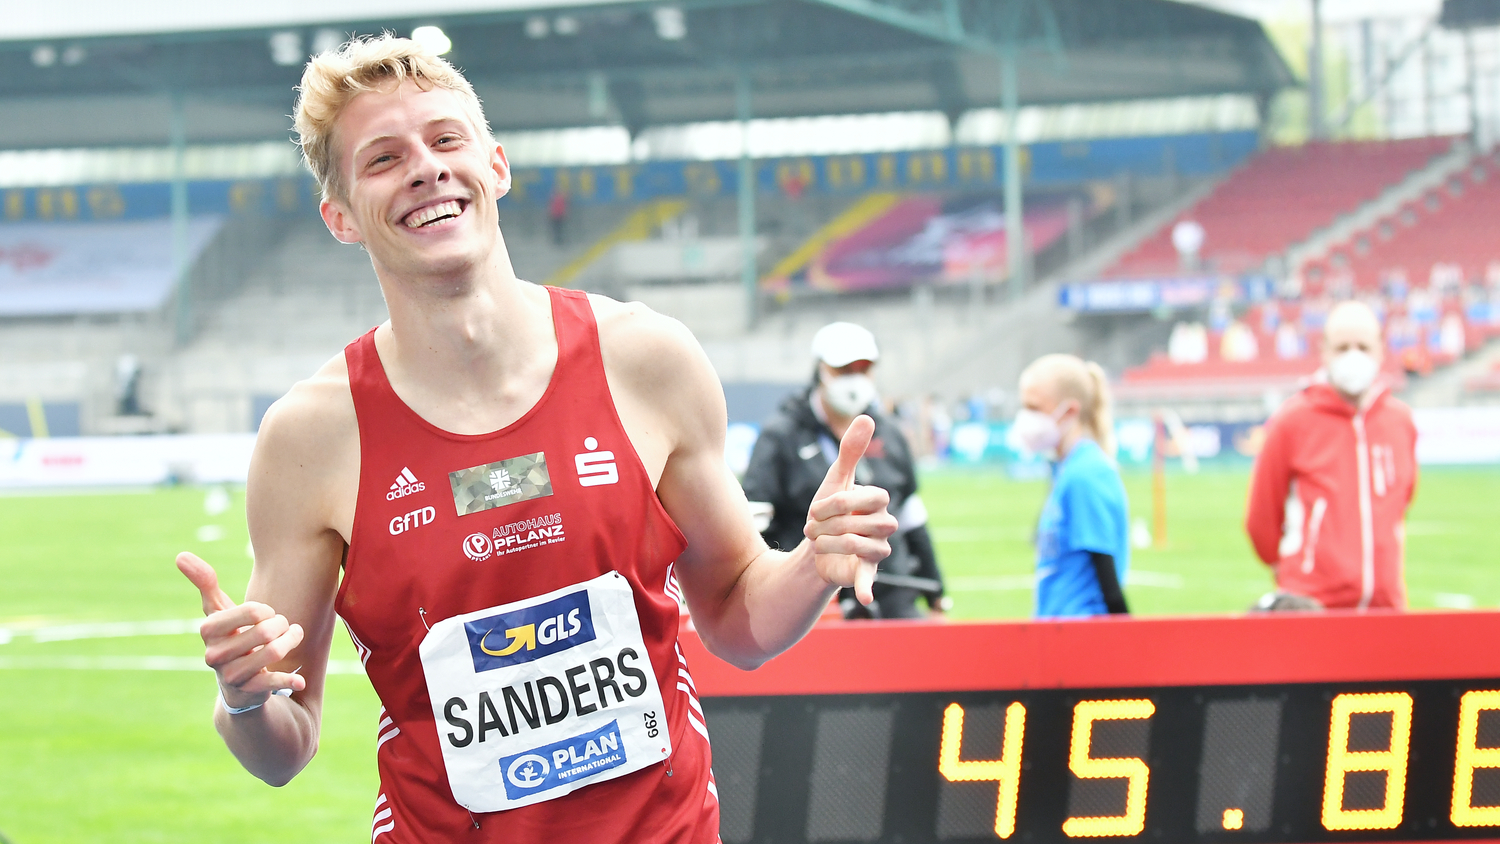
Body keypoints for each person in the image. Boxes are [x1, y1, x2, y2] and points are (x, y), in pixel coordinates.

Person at [173, 36, 896, 844]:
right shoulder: (310, 437)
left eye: (446, 141)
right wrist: (244, 699)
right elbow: (283, 747)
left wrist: (810, 565)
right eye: (383, 159)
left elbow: (733, 617)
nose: (426, 168)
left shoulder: (645, 359)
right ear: (340, 217)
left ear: (497, 166)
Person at [741, 322, 948, 620]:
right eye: (843, 370)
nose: (854, 379)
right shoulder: (781, 435)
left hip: (892, 595)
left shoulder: (889, 433)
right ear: (820, 371)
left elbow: (911, 518)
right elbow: (754, 521)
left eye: (863, 369)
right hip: (811, 604)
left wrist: (937, 594)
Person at [1245, 300, 1417, 610]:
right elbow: (1262, 517)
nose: (1354, 356)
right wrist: (1296, 569)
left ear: (1380, 350)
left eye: (1363, 347)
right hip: (1313, 606)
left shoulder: (1400, 421)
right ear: (1324, 352)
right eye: (1342, 347)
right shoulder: (1292, 421)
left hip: (1386, 607)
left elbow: (1402, 500)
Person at [1014, 354, 1130, 618]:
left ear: (1070, 411)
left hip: (1081, 632)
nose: (1026, 418)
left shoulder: (1086, 474)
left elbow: (1106, 575)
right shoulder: (1067, 470)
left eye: (1034, 408)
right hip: (1057, 631)